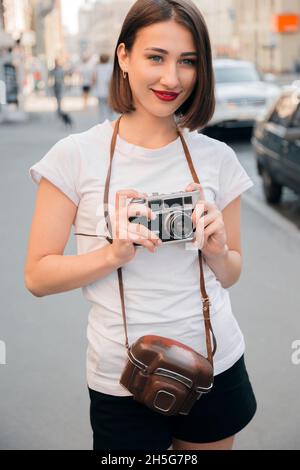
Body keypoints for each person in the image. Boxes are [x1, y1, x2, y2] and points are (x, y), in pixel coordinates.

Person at [24, 0, 257, 451]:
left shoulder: (218, 159)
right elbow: (37, 276)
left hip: (215, 362)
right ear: (124, 56)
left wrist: (216, 251)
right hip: (121, 377)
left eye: (188, 61)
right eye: (156, 57)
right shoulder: (74, 157)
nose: (172, 78)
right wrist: (112, 254)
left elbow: (232, 272)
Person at [93, 53, 114, 122]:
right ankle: (109, 120)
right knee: (110, 107)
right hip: (109, 91)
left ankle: (102, 121)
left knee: (101, 108)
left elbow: (94, 79)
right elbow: (111, 79)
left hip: (99, 91)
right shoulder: (110, 67)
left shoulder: (97, 67)